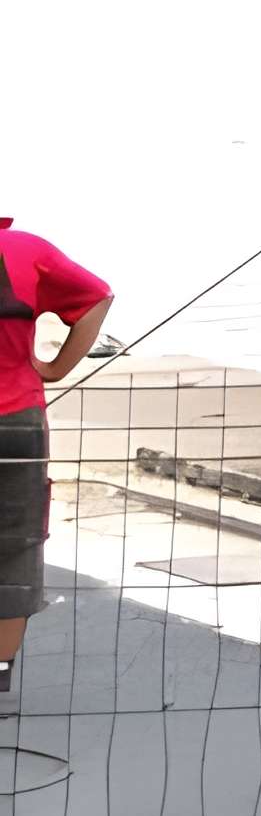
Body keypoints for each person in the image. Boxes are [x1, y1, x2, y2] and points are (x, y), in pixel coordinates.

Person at [2, 216, 113, 712]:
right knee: (14, 550)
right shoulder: (26, 249)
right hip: (16, 420)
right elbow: (97, 298)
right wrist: (55, 367)